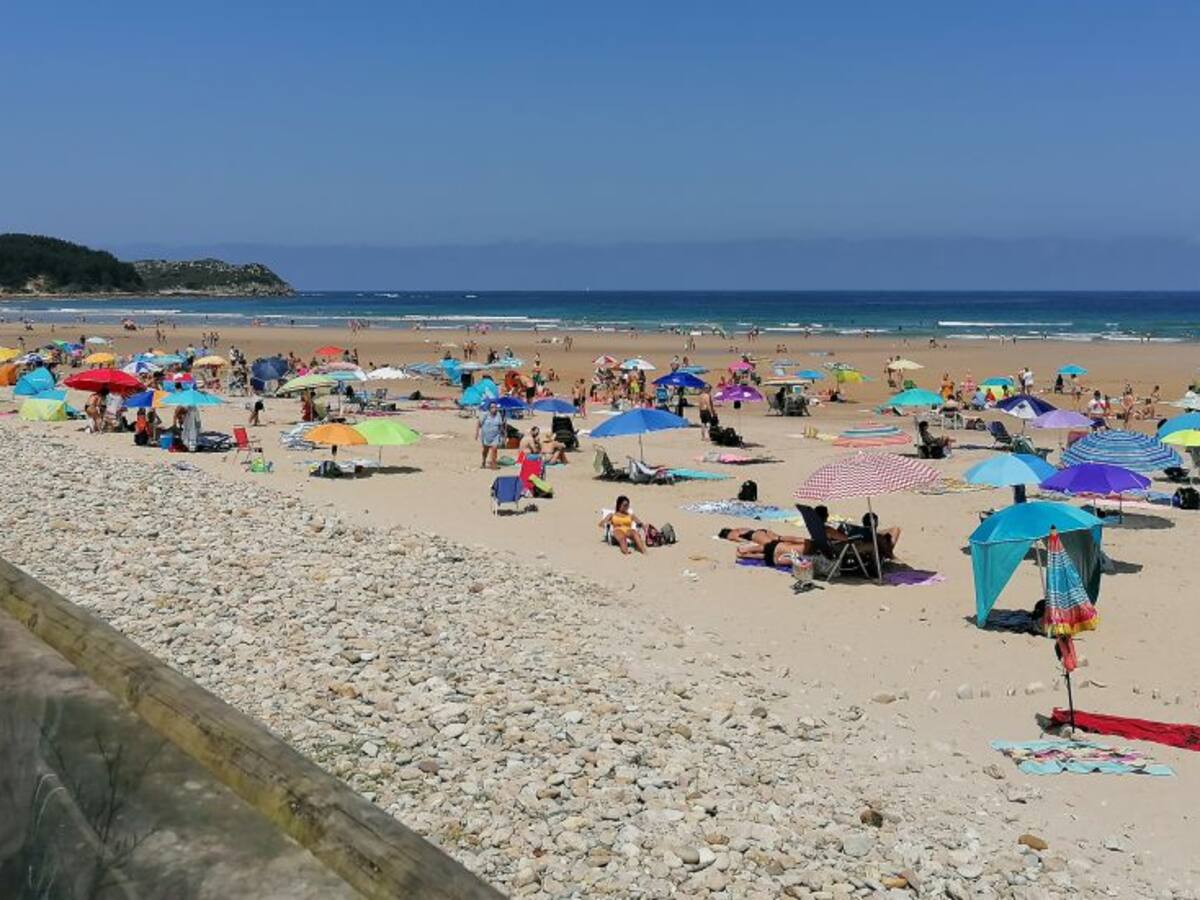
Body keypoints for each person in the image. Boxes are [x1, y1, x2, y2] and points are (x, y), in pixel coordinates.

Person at [476, 400, 505, 469]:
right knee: (485, 450)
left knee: (494, 449)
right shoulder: (485, 415)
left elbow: (500, 425)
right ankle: (483, 462)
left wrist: (503, 434)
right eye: (492, 407)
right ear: (489, 408)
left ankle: (493, 464)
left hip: (495, 436)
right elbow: (479, 424)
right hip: (486, 436)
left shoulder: (498, 415)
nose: (494, 409)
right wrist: (477, 433)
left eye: (495, 407)